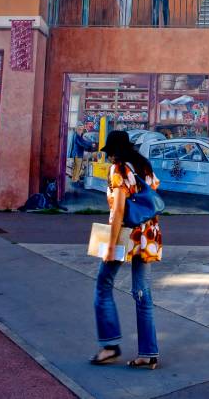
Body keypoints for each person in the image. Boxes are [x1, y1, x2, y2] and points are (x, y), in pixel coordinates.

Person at [90, 130, 161, 370]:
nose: (109, 157)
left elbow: (119, 210)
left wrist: (111, 245)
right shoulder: (144, 167)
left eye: (109, 152)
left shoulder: (119, 170)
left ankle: (110, 346)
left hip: (126, 233)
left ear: (115, 152)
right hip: (148, 233)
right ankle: (148, 354)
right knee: (142, 292)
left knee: (103, 285)